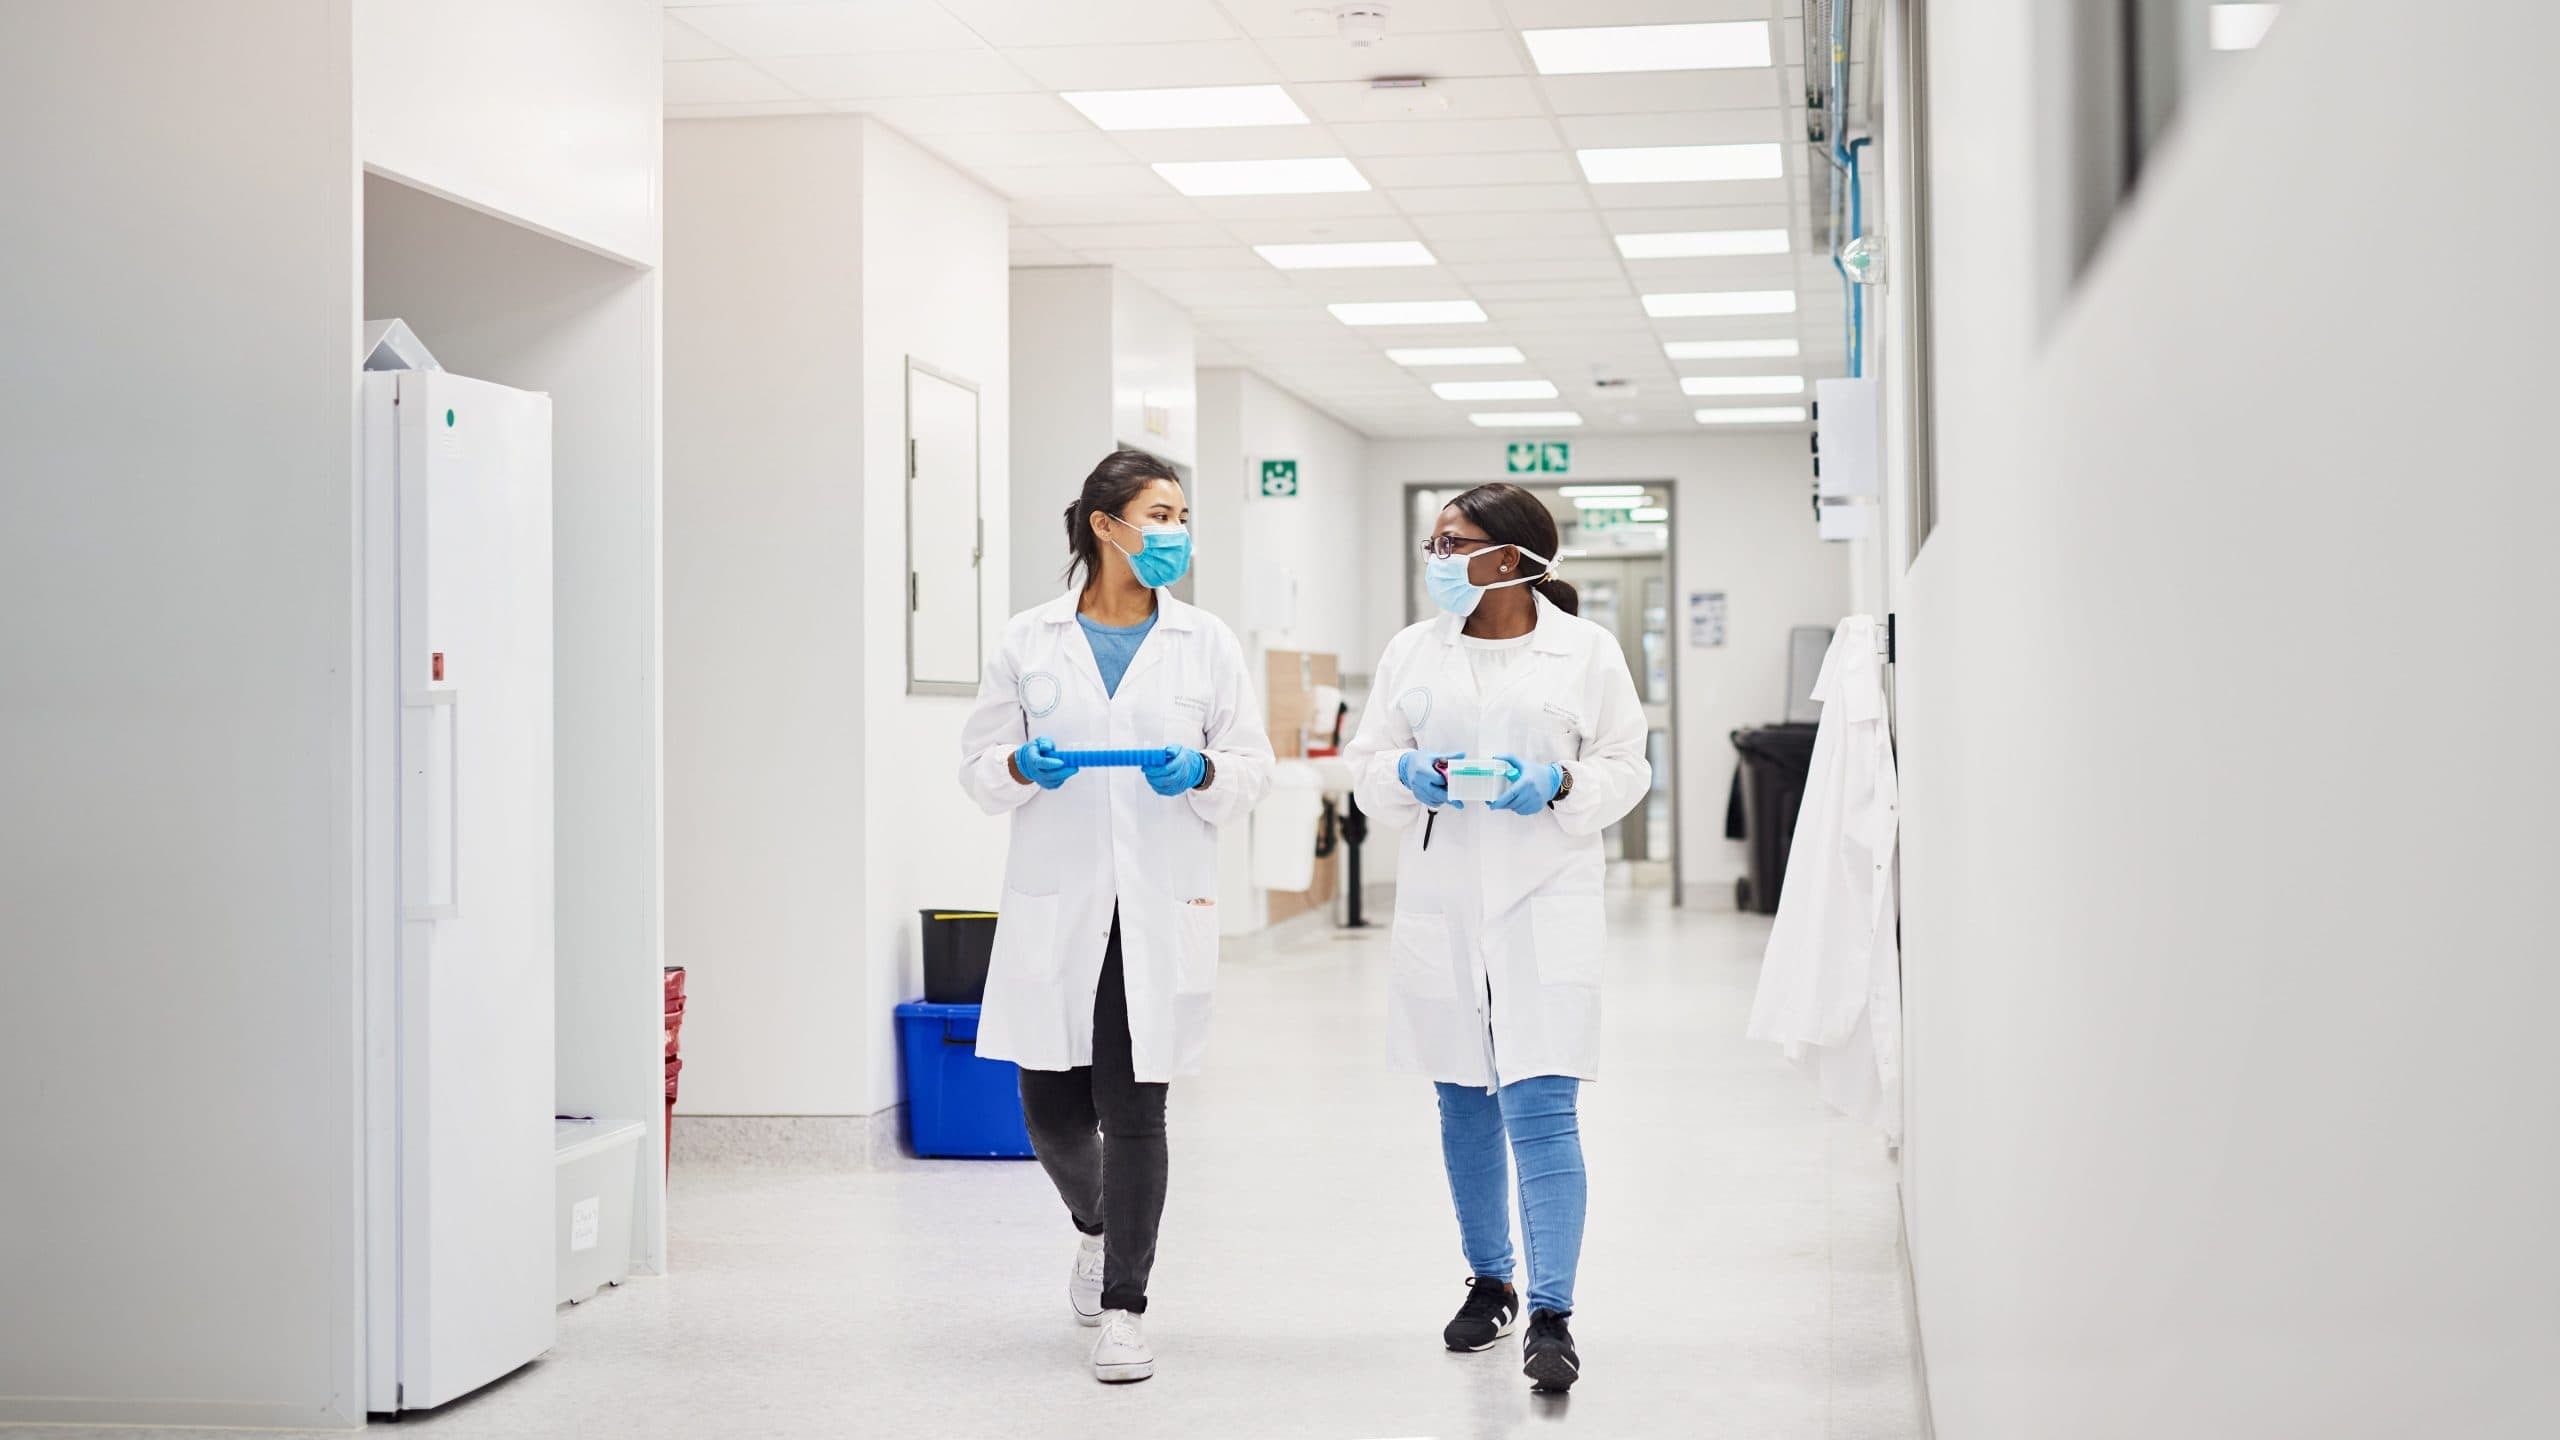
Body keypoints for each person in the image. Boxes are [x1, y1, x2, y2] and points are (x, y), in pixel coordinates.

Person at [956, 448, 1272, 1385]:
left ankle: (1128, 1307)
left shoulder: (1205, 641)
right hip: (1059, 908)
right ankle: (1094, 1225)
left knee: (1136, 1109)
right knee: (1050, 1113)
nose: (1175, 533)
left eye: (1182, 516)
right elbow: (978, 767)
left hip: (1157, 905)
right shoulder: (1028, 639)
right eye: (1159, 514)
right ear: (1106, 524)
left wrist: (1204, 770)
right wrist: (1020, 768)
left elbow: (1249, 766)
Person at [1343, 482, 1652, 1394]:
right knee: (1464, 1105)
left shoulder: (1585, 652)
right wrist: (1407, 771)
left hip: (1544, 895)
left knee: (1543, 1109)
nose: (1436, 559)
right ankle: (1491, 1282)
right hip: (1443, 902)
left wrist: (1557, 782)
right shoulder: (1413, 651)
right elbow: (1367, 767)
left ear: (1510, 557)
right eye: (1432, 543)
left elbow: (1628, 765)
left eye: (1453, 543)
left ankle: (1553, 1312)